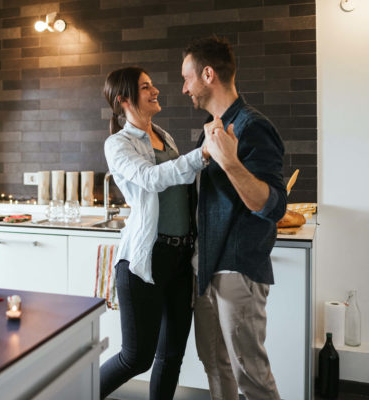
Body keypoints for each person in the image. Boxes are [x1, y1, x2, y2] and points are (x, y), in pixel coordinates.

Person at [181, 36, 287, 399]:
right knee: (215, 366)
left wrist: (230, 162)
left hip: (238, 269)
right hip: (207, 268)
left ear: (208, 74)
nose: (184, 89)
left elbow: (273, 206)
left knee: (251, 377)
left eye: (187, 78)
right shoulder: (208, 130)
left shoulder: (251, 126)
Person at [100, 66, 210, 399]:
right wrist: (202, 154)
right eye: (145, 87)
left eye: (152, 84)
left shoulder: (165, 136)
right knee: (136, 358)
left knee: (171, 356)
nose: (156, 90)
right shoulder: (117, 145)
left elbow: (184, 186)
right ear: (124, 100)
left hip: (180, 257)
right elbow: (151, 178)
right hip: (146, 260)